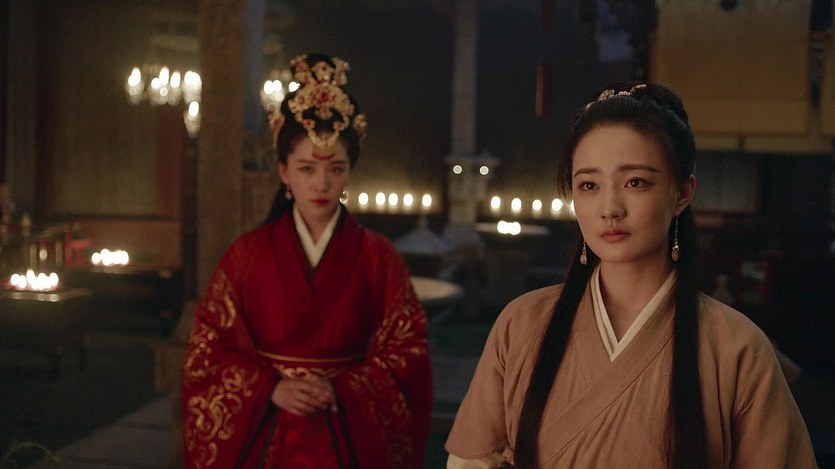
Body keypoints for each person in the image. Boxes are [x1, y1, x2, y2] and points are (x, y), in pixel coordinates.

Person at [445, 83, 817, 468]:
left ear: (682, 193)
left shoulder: (736, 346)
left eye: (635, 182)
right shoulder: (522, 324)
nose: (610, 208)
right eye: (589, 185)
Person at [182, 53, 433, 468]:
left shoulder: (378, 256)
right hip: (268, 427)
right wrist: (269, 388)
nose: (321, 183)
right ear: (284, 172)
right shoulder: (246, 254)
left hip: (345, 430)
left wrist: (343, 388)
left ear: (349, 172)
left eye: (335, 169)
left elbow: (407, 351)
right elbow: (209, 348)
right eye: (306, 168)